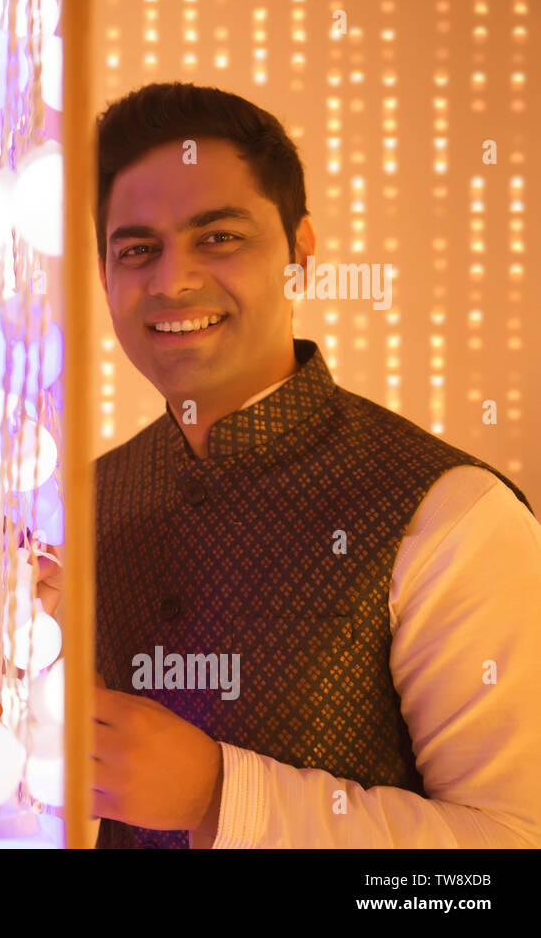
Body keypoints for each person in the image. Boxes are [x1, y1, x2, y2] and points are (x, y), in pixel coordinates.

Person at [89, 82, 541, 848]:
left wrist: (222, 799)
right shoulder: (84, 498)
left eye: (219, 237)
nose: (172, 281)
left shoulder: (451, 513)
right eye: (138, 250)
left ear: (301, 255)